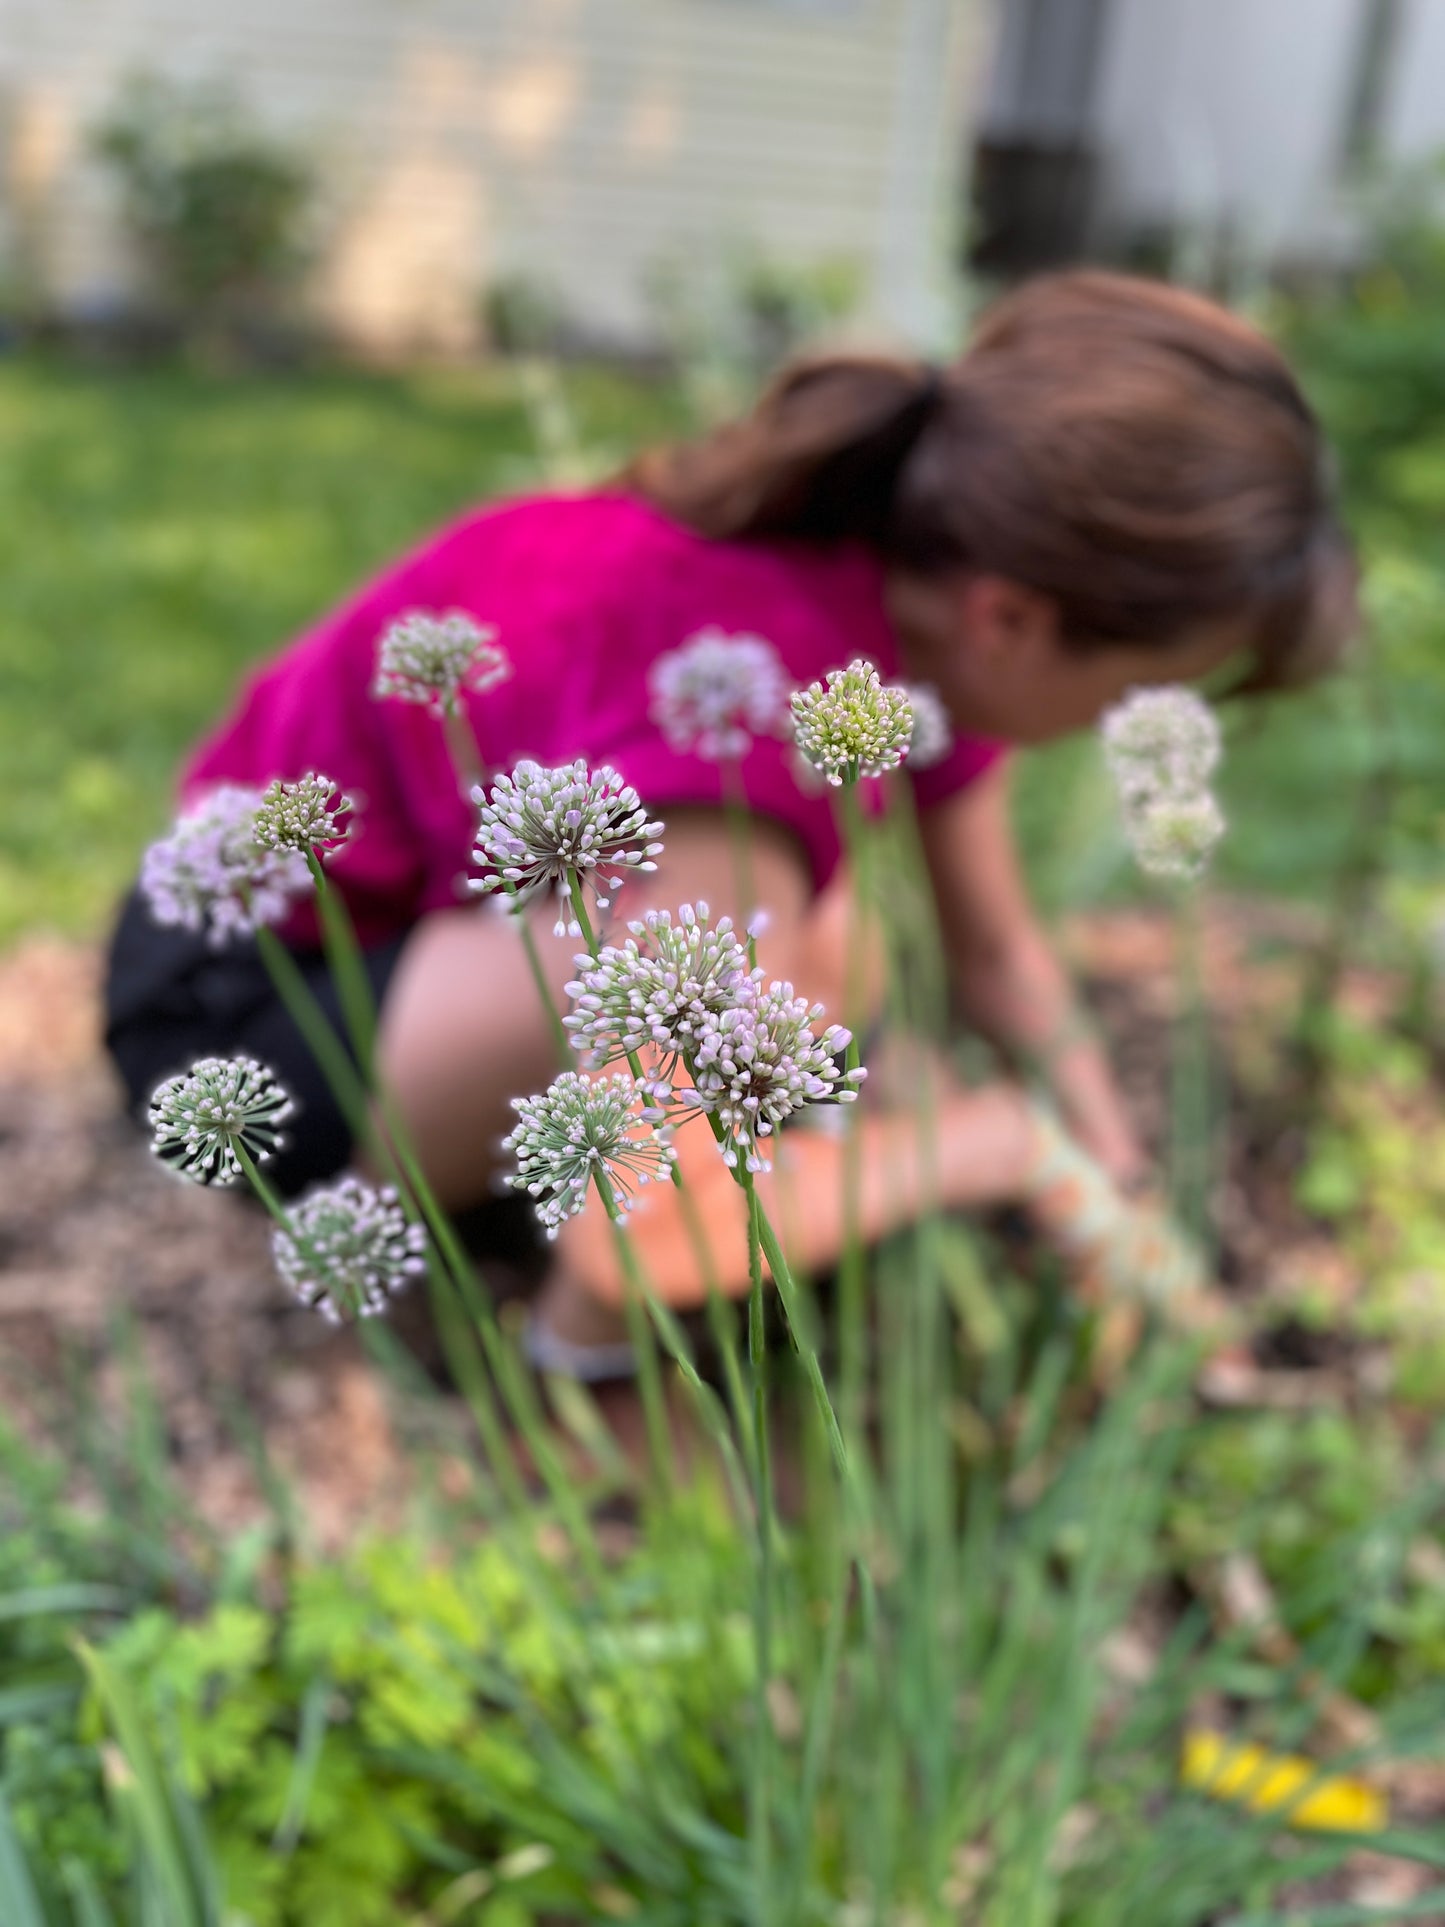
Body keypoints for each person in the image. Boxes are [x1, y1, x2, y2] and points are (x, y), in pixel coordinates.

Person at [104, 270, 1356, 1375]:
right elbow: (633, 1230)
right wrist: (990, 1148)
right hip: (245, 1003)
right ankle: (567, 1369)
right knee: (781, 970)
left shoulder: (919, 622)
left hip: (444, 954)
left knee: (826, 948)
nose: (1127, 717)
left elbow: (996, 959)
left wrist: (1116, 1194)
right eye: (1155, 679)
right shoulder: (749, 739)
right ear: (1015, 620)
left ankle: (590, 1232)